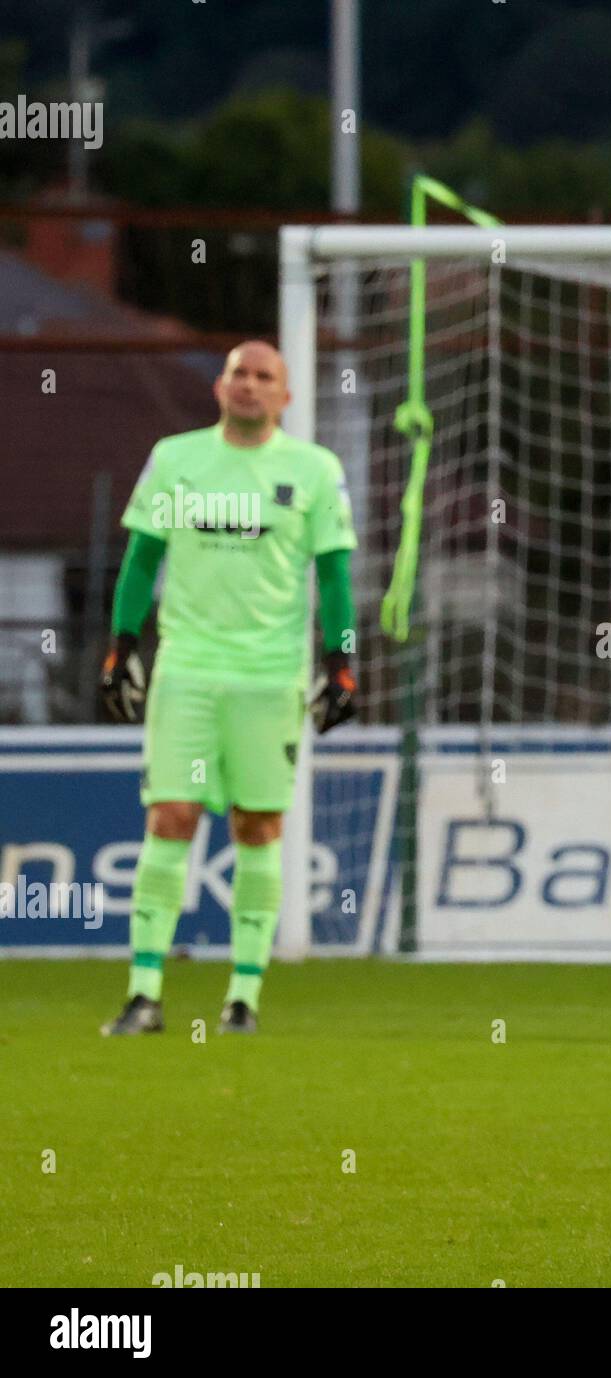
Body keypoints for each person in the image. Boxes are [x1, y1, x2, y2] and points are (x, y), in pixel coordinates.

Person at [99, 341, 359, 1036]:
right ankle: (144, 994)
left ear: (286, 397)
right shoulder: (174, 458)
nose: (248, 385)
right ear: (218, 387)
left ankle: (243, 998)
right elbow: (140, 559)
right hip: (185, 671)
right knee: (170, 817)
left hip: (270, 679)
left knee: (257, 826)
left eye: (263, 376)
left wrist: (341, 662)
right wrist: (123, 645)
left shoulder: (314, 470)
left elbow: (334, 577)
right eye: (238, 373)